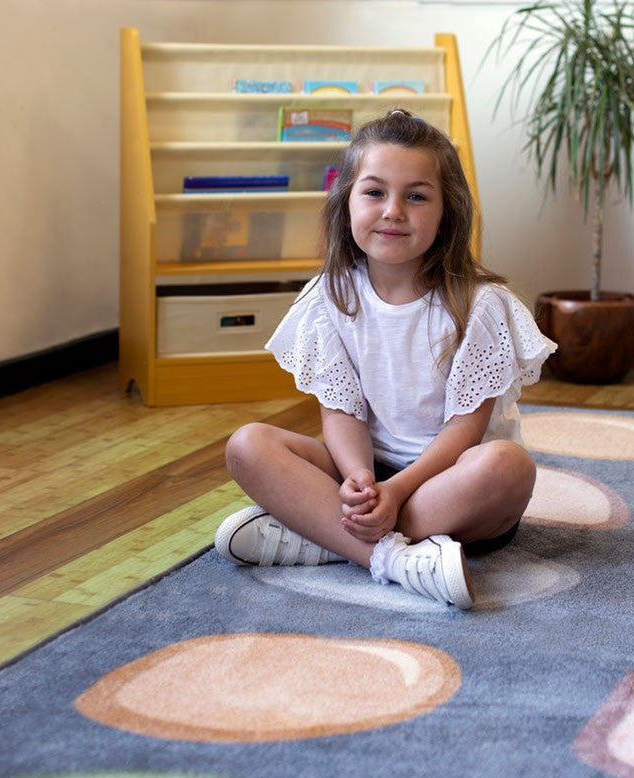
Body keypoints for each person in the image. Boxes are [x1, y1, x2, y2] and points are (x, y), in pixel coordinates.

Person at [215, 108, 556, 609]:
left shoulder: (480, 305)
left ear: (446, 213)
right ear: (346, 202)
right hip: (368, 476)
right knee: (247, 445)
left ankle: (326, 540)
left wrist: (396, 493)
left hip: (451, 484)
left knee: (509, 465)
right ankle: (395, 558)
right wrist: (359, 478)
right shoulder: (328, 297)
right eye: (374, 192)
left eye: (416, 196)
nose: (393, 210)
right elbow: (341, 411)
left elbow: (467, 429)